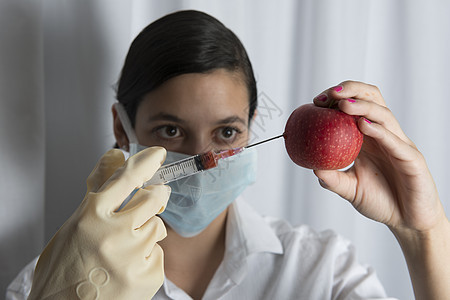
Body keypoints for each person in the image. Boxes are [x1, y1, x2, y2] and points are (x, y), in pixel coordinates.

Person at [6, 9, 450, 300]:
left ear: (252, 124)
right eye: (171, 129)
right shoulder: (53, 283)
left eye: (226, 131)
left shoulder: (320, 273)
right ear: (123, 127)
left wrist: (423, 234)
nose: (203, 157)